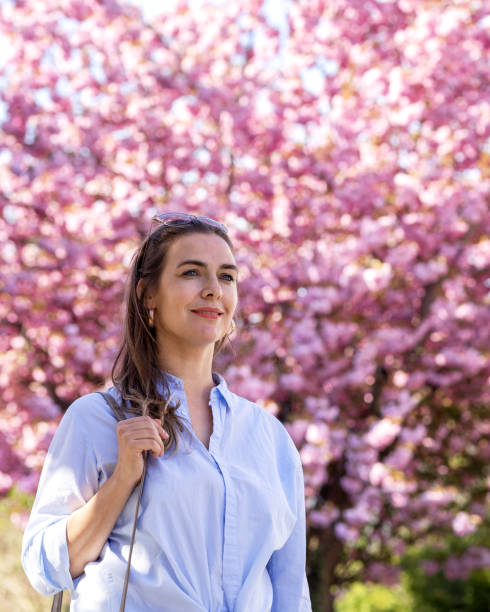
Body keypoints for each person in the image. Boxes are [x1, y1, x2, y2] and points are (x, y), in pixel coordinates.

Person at [22, 212, 312, 611]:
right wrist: (122, 479)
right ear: (148, 295)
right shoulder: (98, 419)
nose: (213, 290)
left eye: (226, 277)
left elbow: (290, 591)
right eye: (192, 273)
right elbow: (42, 567)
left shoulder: (269, 437)